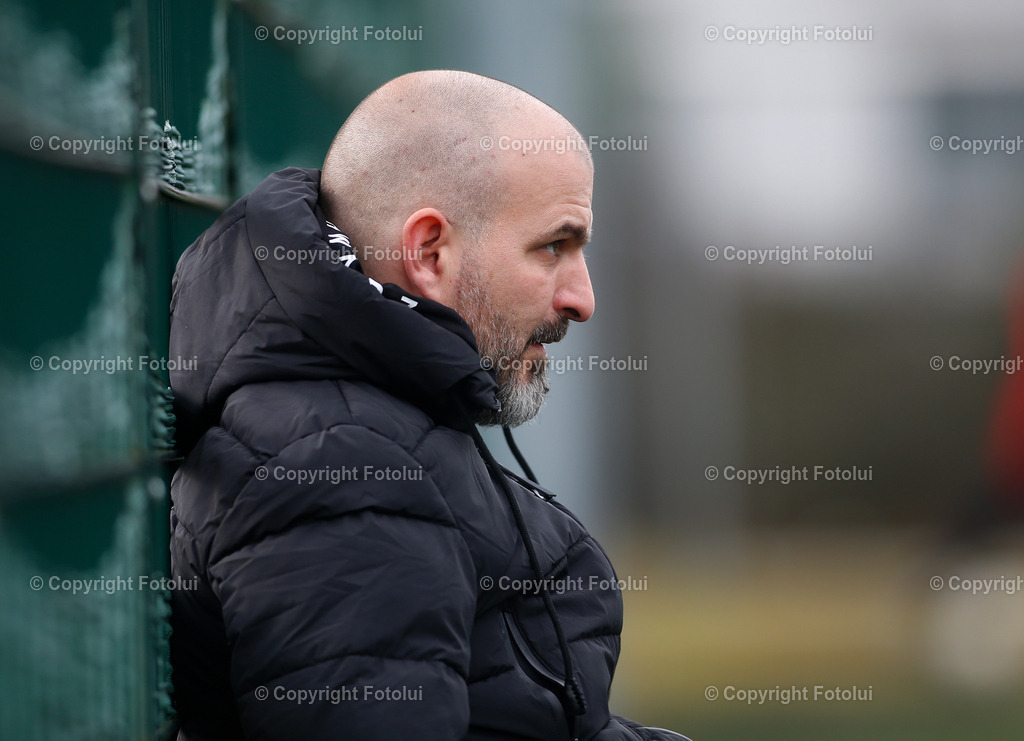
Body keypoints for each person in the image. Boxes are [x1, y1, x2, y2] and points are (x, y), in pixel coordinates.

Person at [168, 69, 688, 741]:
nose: (581, 299)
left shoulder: (370, 422)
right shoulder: (347, 468)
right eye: (554, 246)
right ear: (429, 252)